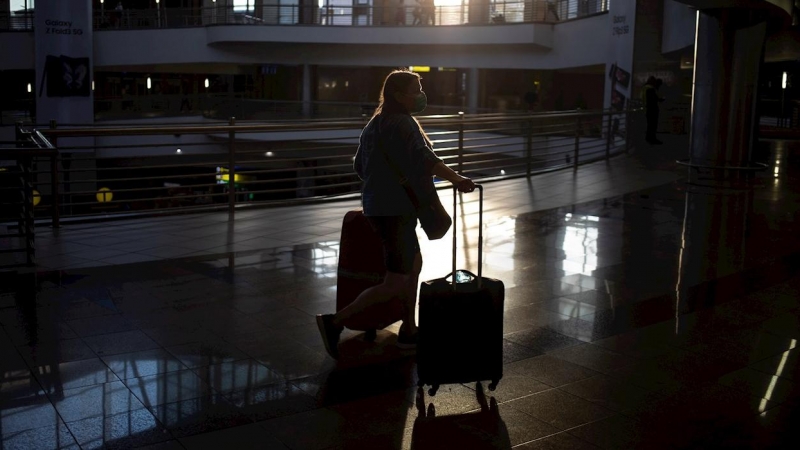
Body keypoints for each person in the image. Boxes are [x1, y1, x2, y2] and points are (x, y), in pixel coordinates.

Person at [316, 70, 475, 360]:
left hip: (379, 207)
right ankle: (334, 322)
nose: (421, 94)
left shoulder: (374, 124)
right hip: (395, 211)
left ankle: (409, 329)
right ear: (399, 95)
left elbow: (360, 168)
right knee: (396, 280)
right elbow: (425, 159)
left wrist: (383, 180)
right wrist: (457, 179)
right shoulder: (404, 123)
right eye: (416, 89)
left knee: (413, 265)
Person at [642, 76, 665, 145]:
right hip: (652, 110)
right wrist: (661, 99)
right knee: (652, 126)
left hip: (646, 109)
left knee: (649, 125)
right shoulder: (651, 89)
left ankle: (648, 138)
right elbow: (654, 99)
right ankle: (652, 139)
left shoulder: (644, 88)